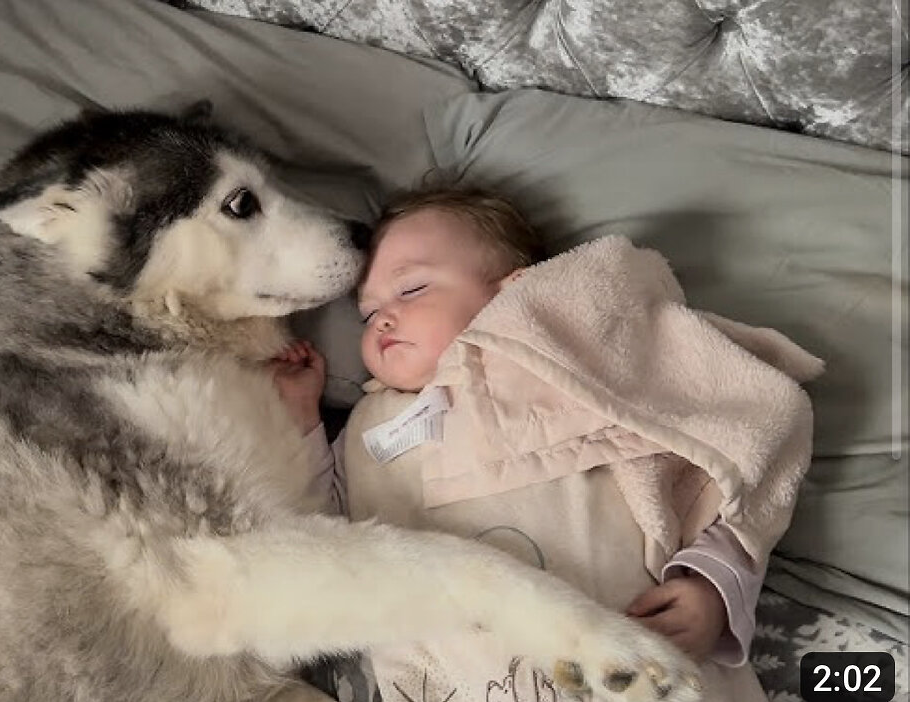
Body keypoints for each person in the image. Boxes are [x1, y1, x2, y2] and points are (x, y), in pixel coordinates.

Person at [271, 187, 820, 702]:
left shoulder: (580, 371)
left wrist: (711, 590)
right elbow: (323, 524)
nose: (383, 317)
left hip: (626, 639)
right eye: (367, 314)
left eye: (412, 288)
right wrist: (300, 418)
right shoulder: (373, 423)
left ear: (515, 291)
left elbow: (726, 471)